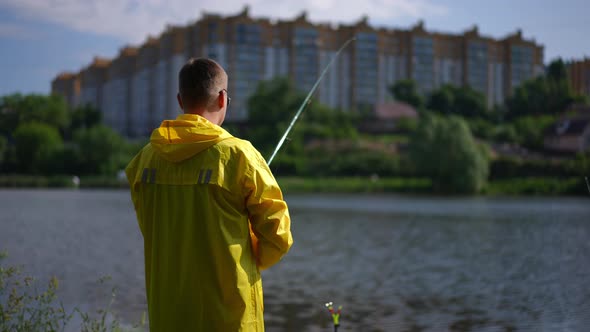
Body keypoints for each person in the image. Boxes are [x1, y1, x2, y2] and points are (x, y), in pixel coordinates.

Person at [126, 58, 293, 331]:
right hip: (229, 317)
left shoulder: (144, 160)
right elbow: (278, 235)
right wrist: (246, 256)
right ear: (223, 99)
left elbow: (152, 229)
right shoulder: (239, 155)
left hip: (169, 314)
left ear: (180, 100)